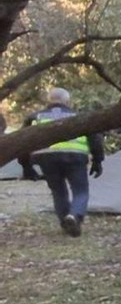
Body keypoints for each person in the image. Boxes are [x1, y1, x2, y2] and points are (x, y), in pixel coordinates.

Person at [19, 88, 104, 237]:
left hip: (46, 158)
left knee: (58, 191)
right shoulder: (79, 117)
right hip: (75, 157)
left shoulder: (35, 117)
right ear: (67, 101)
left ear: (49, 101)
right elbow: (95, 138)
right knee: (80, 190)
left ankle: (66, 223)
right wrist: (98, 160)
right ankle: (75, 215)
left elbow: (21, 142)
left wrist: (26, 166)